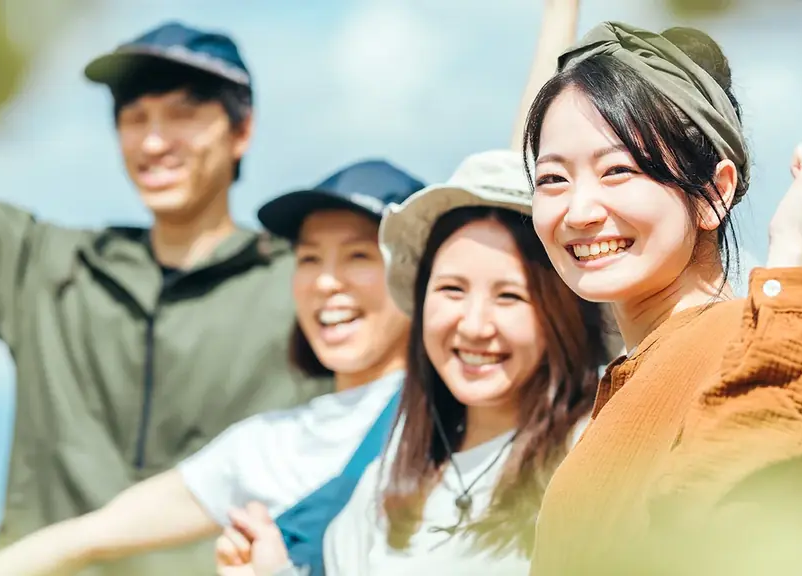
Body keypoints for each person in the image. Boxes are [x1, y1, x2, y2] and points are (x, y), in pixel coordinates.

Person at [0, 21, 331, 574]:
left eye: (183, 113)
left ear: (241, 130)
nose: (154, 142)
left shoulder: (312, 291)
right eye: (134, 118)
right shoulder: (44, 269)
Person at [0, 159, 426, 576]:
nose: (325, 282)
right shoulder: (268, 445)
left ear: (421, 277)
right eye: (309, 258)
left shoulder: (449, 414)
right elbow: (89, 535)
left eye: (359, 255)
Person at [520, 22, 802, 574]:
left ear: (714, 193)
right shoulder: (629, 374)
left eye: (618, 170)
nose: (579, 210)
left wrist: (794, 250)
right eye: (553, 179)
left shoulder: (755, 340)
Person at [215, 150, 617, 576]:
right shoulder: (388, 480)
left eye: (509, 296)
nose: (475, 326)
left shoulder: (593, 462)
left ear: (565, 314)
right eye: (451, 290)